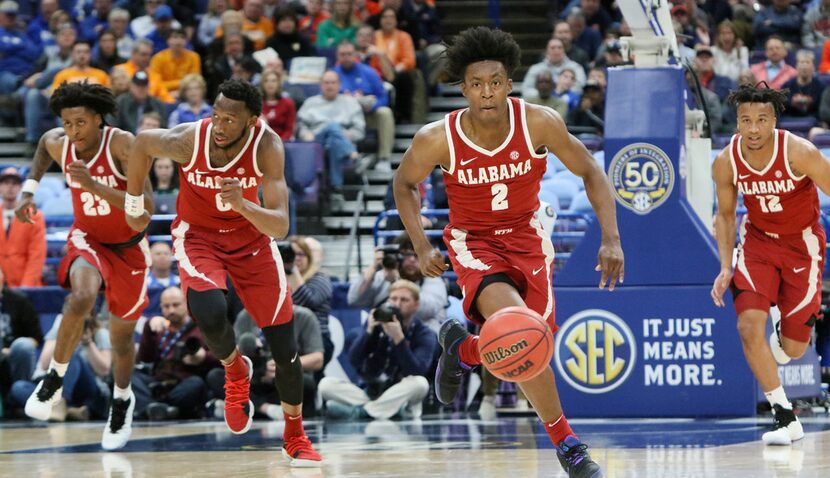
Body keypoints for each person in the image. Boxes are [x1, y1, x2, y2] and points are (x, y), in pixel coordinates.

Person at [392, 27, 624, 478]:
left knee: (537, 346)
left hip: (528, 240)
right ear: (463, 88)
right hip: (475, 243)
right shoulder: (437, 138)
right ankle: (570, 448)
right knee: (520, 327)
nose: (486, 93)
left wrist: (611, 237)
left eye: (495, 82)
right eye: (476, 84)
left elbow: (592, 172)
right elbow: (403, 184)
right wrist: (421, 245)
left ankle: (464, 351)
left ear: (509, 83)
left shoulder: (538, 121)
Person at [124, 79, 322, 467]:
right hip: (199, 239)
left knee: (285, 349)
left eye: (231, 119)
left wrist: (243, 205)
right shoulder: (188, 140)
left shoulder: (267, 147)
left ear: (251, 122)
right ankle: (235, 371)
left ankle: (295, 434)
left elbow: (280, 226)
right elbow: (143, 142)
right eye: (216, 114)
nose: (220, 124)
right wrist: (134, 201)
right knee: (210, 311)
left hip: (252, 243)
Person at [16, 81, 155, 450]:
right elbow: (45, 144)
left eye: (80, 123)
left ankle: (122, 399)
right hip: (88, 239)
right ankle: (53, 380)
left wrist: (94, 186)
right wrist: (29, 189)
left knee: (123, 339)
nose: (73, 132)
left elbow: (146, 214)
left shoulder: (124, 145)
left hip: (129, 248)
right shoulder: (61, 142)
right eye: (67, 123)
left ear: (98, 118)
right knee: (82, 295)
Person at [710, 84, 830, 446]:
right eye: (745, 120)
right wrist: (725, 266)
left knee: (793, 350)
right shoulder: (726, 160)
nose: (753, 128)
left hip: (802, 247)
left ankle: (782, 319)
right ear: (737, 123)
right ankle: (785, 416)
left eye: (761, 120)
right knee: (748, 326)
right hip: (757, 244)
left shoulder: (800, 152)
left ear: (774, 121)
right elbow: (727, 216)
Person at [320, 279, 436, 420]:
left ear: (416, 305)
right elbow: (354, 360)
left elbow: (417, 370)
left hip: (400, 391)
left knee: (420, 384)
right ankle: (386, 410)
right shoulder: (377, 323)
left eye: (404, 300)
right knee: (325, 385)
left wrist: (399, 339)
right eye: (393, 298)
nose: (397, 304)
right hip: (370, 392)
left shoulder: (424, 333)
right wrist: (369, 332)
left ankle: (361, 412)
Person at [133, 286, 219, 420]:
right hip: (159, 382)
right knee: (131, 376)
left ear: (186, 303)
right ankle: (163, 409)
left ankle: (154, 409)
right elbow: (144, 359)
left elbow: (223, 358)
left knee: (196, 384)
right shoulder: (159, 328)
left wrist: (204, 357)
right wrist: (148, 329)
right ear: (161, 307)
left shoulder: (202, 327)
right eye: (166, 306)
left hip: (185, 382)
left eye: (176, 305)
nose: (171, 310)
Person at [0, 167, 46, 288]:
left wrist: (26, 287)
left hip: (26, 285)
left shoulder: (35, 216)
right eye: (5, 183)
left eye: (15, 183)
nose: (10, 187)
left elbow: (37, 257)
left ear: (21, 187)